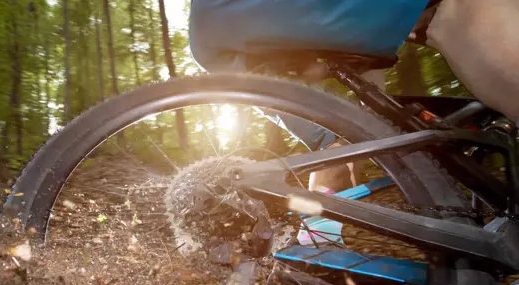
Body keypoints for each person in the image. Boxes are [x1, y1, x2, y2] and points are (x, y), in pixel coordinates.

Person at [189, 0, 519, 193]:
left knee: (347, 139)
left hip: (231, 33)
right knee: (466, 8)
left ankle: (318, 234)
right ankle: (316, 228)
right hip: (244, 20)